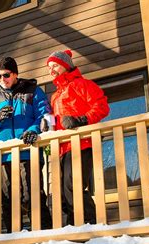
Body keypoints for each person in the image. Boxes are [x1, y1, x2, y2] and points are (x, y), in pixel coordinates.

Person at [0, 56, 52, 233]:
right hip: (3, 158)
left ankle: (45, 235)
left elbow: (44, 115)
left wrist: (33, 131)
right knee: (7, 199)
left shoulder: (32, 91)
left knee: (32, 195)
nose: (2, 79)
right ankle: (12, 238)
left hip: (29, 153)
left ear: (15, 74)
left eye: (6, 75)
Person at [46, 49, 109, 225]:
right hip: (62, 148)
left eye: (55, 66)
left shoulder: (82, 85)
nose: (52, 71)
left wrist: (81, 119)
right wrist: (48, 124)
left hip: (82, 143)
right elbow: (57, 121)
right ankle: (75, 229)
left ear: (66, 65)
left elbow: (102, 106)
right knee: (63, 193)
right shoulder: (55, 96)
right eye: (49, 68)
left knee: (73, 185)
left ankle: (91, 224)